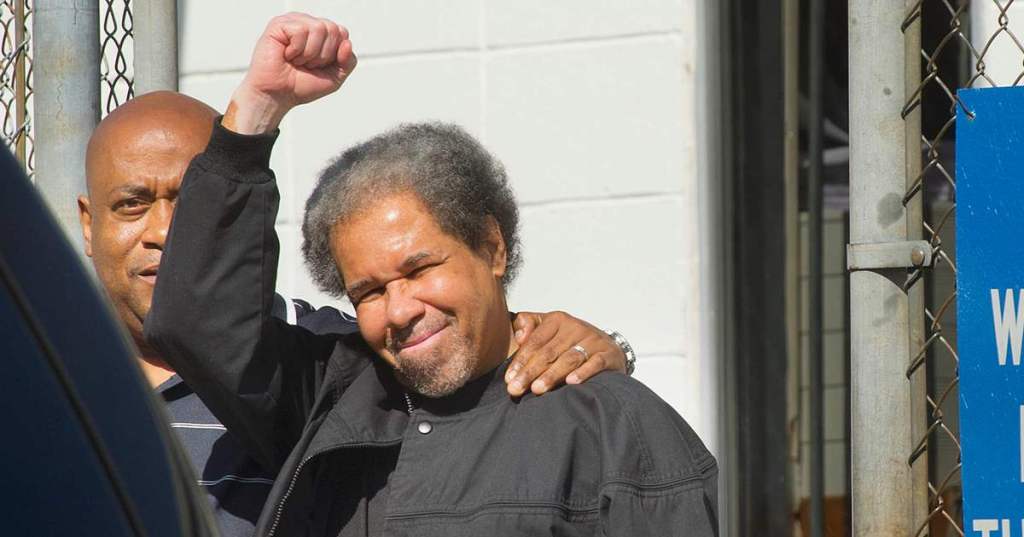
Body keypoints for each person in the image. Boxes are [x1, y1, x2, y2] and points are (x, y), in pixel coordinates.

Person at [146, 12, 716, 537]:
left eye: (419, 269)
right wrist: (256, 111)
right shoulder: (333, 400)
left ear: (492, 247)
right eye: (369, 291)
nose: (400, 310)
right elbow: (196, 321)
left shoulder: (612, 427)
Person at [79, 87, 630, 535]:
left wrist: (582, 351)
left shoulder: (334, 376)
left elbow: (463, 354)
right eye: (133, 204)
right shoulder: (48, 373)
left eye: (192, 202)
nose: (165, 231)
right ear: (87, 221)